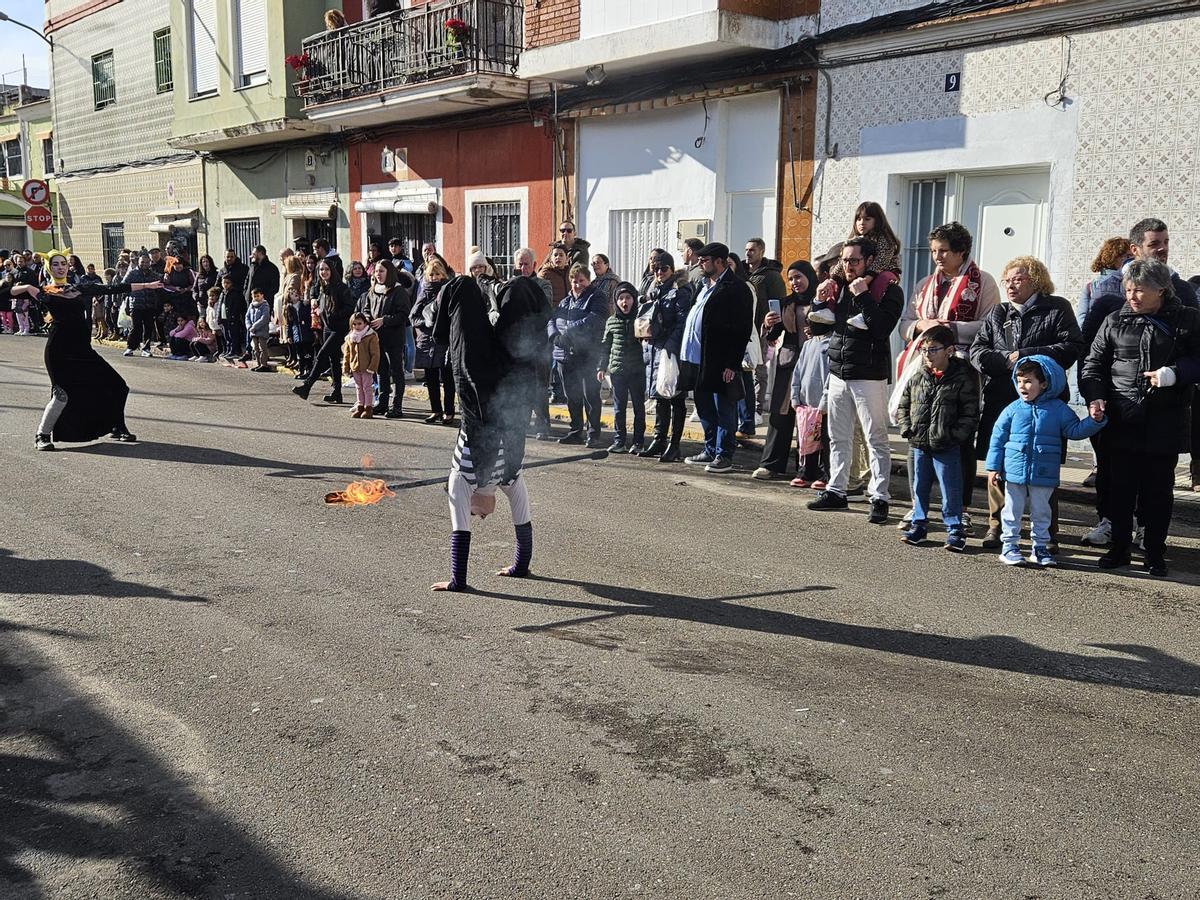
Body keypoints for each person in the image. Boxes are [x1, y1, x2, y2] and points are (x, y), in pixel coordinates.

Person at [1081, 258, 1200, 577]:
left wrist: (1175, 374)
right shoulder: (1114, 320)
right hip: (1122, 418)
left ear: (1161, 289)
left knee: (1157, 491)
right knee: (1119, 488)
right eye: (1128, 289)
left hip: (1165, 420)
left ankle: (1154, 551)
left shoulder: (1187, 319)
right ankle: (1118, 548)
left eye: (1140, 290)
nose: (1132, 296)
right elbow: (1094, 364)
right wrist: (1095, 396)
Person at [969, 256, 1083, 550]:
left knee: (1044, 464)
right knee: (1001, 465)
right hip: (1003, 400)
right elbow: (977, 351)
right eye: (1007, 280)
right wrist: (1006, 362)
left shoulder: (1057, 308)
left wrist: (1026, 356)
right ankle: (998, 526)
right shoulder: (998, 313)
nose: (1010, 285)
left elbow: (1071, 347)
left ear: (1036, 280)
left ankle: (1046, 532)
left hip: (1046, 404)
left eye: (1017, 279)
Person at [431, 277, 535, 592]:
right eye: (475, 514)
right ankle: (503, 291)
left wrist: (457, 581)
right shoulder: (511, 477)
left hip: (476, 389)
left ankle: (444, 327)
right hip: (510, 386)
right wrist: (519, 567)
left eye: (473, 513)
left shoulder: (459, 482)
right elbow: (523, 524)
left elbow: (460, 531)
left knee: (462, 287)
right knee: (521, 292)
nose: (480, 516)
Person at [895, 221, 1000, 530]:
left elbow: (988, 326)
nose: (937, 257)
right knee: (919, 436)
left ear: (961, 252)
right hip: (924, 367)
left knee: (959, 439)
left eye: (943, 251)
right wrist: (919, 327)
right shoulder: (926, 283)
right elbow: (905, 322)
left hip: (962, 368)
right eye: (933, 251)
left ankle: (961, 507)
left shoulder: (985, 283)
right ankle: (918, 507)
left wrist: (949, 328)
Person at [807, 237, 904, 521]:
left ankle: (880, 496)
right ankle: (836, 490)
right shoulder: (838, 289)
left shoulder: (888, 289)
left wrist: (862, 295)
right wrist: (818, 297)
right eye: (844, 261)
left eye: (853, 260)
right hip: (838, 372)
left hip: (869, 375)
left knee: (876, 438)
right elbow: (815, 327)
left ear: (869, 261)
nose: (847, 266)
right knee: (837, 436)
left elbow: (881, 329)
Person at [987, 356, 1106, 567]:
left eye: (1028, 381)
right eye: (1019, 381)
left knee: (1042, 512)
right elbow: (998, 438)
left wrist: (1094, 421)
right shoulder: (1013, 409)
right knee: (1011, 510)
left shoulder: (1058, 409)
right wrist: (993, 466)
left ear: (1044, 384)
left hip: (1044, 472)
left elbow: (1074, 430)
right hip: (1013, 470)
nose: (1022, 386)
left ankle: (1040, 547)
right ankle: (1010, 546)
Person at [34, 253, 155, 451]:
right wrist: (24, 287)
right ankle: (42, 435)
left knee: (118, 386)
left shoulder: (78, 288)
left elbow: (111, 288)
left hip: (83, 349)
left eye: (63, 263)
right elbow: (8, 292)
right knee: (61, 394)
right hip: (59, 350)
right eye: (55, 264)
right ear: (49, 268)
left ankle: (117, 427)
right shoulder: (45, 292)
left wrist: (146, 286)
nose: (60, 267)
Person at [896, 325, 980, 551]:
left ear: (949, 350)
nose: (927, 355)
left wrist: (954, 436)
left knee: (950, 489)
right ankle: (919, 525)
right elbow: (904, 404)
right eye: (924, 350)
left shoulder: (962, 377)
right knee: (919, 487)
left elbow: (970, 414)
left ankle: (955, 530)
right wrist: (907, 428)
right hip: (919, 443)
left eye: (933, 350)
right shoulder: (918, 375)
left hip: (946, 444)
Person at [679, 242, 754, 472]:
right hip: (695, 359)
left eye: (705, 260)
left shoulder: (736, 288)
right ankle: (710, 449)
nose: (700, 263)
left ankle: (724, 454)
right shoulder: (702, 285)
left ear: (719, 262)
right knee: (704, 408)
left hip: (719, 361)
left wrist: (732, 363)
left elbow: (742, 329)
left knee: (724, 409)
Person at [753, 260, 817, 479]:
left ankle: (808, 468)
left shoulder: (822, 301)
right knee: (781, 413)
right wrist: (768, 325)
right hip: (788, 365)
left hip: (815, 365)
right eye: (790, 278)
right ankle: (771, 464)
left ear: (809, 276)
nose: (794, 282)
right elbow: (773, 336)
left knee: (809, 415)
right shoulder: (785, 303)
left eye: (798, 277)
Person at [638, 251, 694, 462]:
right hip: (654, 348)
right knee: (659, 396)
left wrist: (670, 348)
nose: (659, 273)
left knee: (675, 398)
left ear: (672, 269)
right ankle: (659, 439)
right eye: (656, 269)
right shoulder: (654, 289)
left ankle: (674, 444)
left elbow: (682, 323)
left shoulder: (680, 290)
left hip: (671, 351)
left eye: (664, 269)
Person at [811, 202, 903, 325]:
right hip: (865, 273)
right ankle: (829, 309)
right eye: (858, 219)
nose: (861, 222)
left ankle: (863, 315)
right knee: (838, 283)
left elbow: (880, 262)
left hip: (886, 271)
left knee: (881, 279)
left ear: (878, 221)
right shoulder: (854, 241)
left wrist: (865, 281)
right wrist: (834, 279)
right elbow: (841, 263)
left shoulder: (885, 239)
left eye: (867, 219)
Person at [547, 263, 607, 447]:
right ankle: (575, 431)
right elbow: (552, 320)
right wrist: (555, 336)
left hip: (587, 354)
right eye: (574, 280)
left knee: (591, 395)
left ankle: (593, 434)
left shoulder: (597, 297)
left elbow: (595, 319)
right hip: (565, 355)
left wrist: (568, 332)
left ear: (588, 280)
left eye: (581, 280)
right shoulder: (565, 301)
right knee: (571, 395)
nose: (577, 284)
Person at [293, 259, 354, 403]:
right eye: (321, 270)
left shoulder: (341, 288)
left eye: (326, 269)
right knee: (333, 360)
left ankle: (307, 386)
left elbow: (350, 307)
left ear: (332, 271)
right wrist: (315, 300)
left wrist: (333, 314)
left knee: (321, 356)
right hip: (327, 327)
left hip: (339, 329)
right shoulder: (322, 287)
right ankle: (337, 393)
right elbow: (316, 299)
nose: (324, 272)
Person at [510, 248, 555, 439]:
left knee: (539, 387)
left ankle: (543, 425)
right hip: (518, 344)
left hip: (538, 344)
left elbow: (543, 308)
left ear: (534, 265)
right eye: (519, 264)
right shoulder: (511, 284)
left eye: (526, 264)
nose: (523, 267)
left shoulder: (543, 284)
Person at [744, 238, 788, 431]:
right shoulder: (744, 273)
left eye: (752, 250)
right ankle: (745, 408)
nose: (748, 253)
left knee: (759, 369)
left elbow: (778, 302)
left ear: (761, 251)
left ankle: (758, 409)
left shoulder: (771, 276)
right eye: (746, 250)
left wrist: (772, 328)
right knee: (746, 368)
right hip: (745, 328)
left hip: (761, 329)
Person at [597, 281, 646, 453]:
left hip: (637, 371)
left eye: (628, 298)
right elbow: (605, 346)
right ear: (616, 302)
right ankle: (619, 441)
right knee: (619, 408)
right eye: (621, 298)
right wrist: (601, 367)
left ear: (634, 300)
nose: (625, 302)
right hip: (618, 372)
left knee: (639, 407)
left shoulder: (640, 320)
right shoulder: (611, 321)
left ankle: (638, 441)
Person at [359, 260, 411, 418]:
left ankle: (397, 406)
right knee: (381, 370)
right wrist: (368, 318)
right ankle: (382, 403)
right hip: (376, 337)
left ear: (389, 272)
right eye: (376, 271)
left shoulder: (398, 291)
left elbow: (404, 314)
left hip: (394, 337)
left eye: (381, 271)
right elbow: (366, 308)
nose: (378, 274)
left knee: (397, 371)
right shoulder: (373, 290)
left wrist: (385, 320)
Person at [412, 258, 456, 424]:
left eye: (437, 274)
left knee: (447, 378)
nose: (434, 277)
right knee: (430, 380)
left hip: (444, 341)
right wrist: (426, 323)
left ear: (443, 274)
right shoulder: (424, 293)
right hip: (426, 342)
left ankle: (449, 412)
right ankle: (435, 410)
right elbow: (413, 316)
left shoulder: (449, 291)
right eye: (431, 274)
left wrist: (440, 326)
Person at [342, 312, 381, 418]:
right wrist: (346, 367)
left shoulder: (370, 336)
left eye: (359, 324)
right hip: (355, 366)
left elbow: (375, 353)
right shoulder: (350, 337)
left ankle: (368, 408)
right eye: (354, 324)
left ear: (365, 323)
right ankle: (360, 406)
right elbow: (347, 353)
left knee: (367, 388)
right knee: (358, 387)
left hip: (367, 367)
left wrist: (372, 367)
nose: (357, 326)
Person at [216, 273, 247, 363]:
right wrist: (219, 318)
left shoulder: (235, 293)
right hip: (224, 317)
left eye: (228, 283)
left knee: (233, 335)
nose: (225, 285)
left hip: (232, 318)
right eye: (224, 283)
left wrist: (234, 316)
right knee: (227, 336)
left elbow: (237, 306)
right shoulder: (222, 293)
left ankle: (235, 350)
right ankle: (229, 350)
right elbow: (220, 306)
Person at [245, 287, 273, 371]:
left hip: (262, 331)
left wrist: (255, 326)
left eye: (258, 296)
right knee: (255, 349)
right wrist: (249, 326)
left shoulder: (265, 305)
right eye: (254, 296)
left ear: (262, 296)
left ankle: (264, 364)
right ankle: (258, 364)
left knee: (262, 348)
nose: (256, 298)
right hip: (253, 332)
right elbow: (247, 317)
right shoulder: (251, 305)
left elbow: (264, 318)